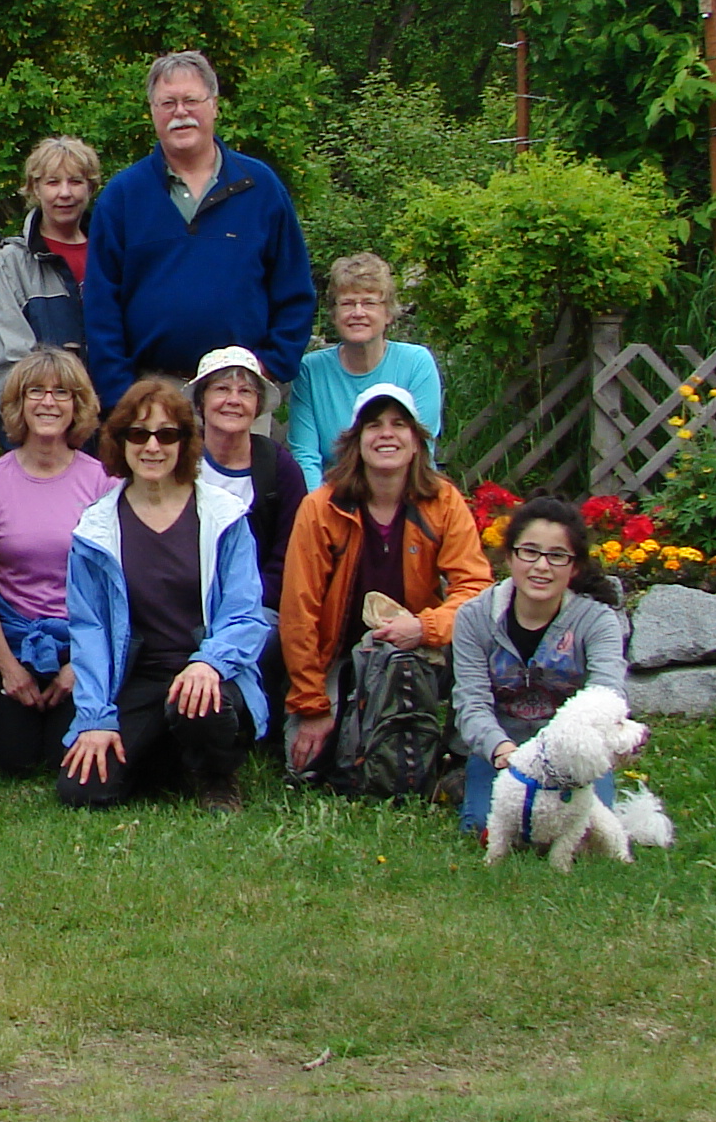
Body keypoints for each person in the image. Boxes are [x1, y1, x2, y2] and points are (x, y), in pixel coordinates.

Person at [57, 376, 273, 810]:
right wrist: (96, 718)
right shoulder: (95, 528)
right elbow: (89, 630)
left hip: (210, 675)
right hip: (139, 679)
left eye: (167, 434)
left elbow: (245, 614)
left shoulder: (225, 517)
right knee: (83, 790)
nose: (152, 446)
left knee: (202, 705)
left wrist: (209, 663)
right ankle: (168, 758)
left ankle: (217, 776)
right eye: (138, 434)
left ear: (185, 442)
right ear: (120, 441)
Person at [83, 49, 316, 416]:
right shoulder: (124, 196)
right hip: (154, 397)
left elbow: (295, 290)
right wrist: (122, 395)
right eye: (168, 103)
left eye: (191, 100)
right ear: (152, 112)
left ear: (214, 105)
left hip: (240, 391)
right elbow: (101, 306)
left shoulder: (260, 188)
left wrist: (270, 366)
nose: (180, 112)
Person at [278, 384, 492, 778]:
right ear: (356, 442)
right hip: (343, 658)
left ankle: (461, 753)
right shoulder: (320, 508)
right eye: (374, 425)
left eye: (399, 424)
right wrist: (311, 706)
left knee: (483, 645)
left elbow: (475, 589)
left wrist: (425, 627)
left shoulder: (444, 501)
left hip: (422, 651)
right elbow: (298, 611)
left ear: (416, 442)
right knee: (304, 769)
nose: (387, 434)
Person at [0, 349, 113, 775]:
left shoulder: (101, 482)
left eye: (61, 393)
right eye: (36, 392)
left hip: (78, 641)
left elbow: (109, 589)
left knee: (67, 754)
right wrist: (8, 668)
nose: (48, 402)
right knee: (10, 756)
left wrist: (79, 666)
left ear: (78, 405)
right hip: (13, 641)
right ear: (18, 404)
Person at [452, 497, 629, 840]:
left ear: (574, 567)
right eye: (529, 552)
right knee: (483, 829)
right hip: (503, 751)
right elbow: (471, 702)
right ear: (510, 557)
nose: (541, 566)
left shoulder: (597, 621)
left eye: (557, 556)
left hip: (572, 754)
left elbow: (608, 695)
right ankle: (466, 780)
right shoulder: (474, 617)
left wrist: (569, 753)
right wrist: (501, 749)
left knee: (588, 836)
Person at [189, 343, 310, 733]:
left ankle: (252, 722)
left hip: (259, 604)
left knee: (267, 638)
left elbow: (290, 553)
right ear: (201, 401)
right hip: (187, 601)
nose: (233, 400)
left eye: (245, 392)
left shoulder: (279, 468)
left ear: (258, 406)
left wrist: (243, 605)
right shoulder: (179, 462)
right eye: (221, 389)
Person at [288, 252, 447, 489]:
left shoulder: (417, 363)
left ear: (388, 313)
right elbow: (305, 457)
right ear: (334, 314)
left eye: (369, 303)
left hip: (406, 495)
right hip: (335, 498)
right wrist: (320, 508)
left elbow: (421, 450)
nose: (358, 313)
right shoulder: (311, 371)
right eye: (347, 303)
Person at [0, 135, 98, 408]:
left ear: (90, 187)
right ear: (35, 189)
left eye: (75, 181)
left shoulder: (111, 253)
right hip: (42, 416)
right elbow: (11, 363)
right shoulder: (12, 263)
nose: (65, 193)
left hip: (108, 416)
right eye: (53, 182)